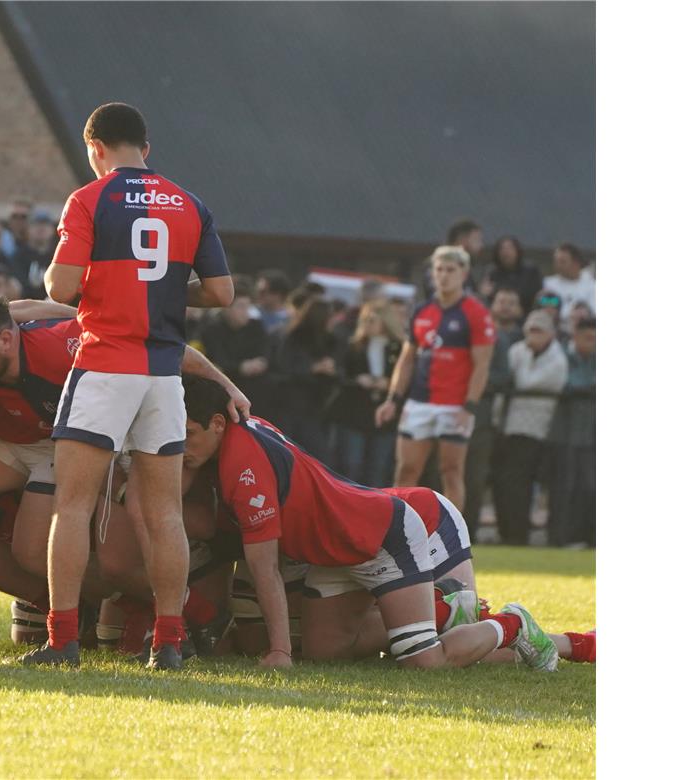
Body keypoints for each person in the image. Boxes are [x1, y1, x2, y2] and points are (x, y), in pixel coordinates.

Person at [0, 292, 249, 650]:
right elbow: (19, 309)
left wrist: (228, 386)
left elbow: (158, 348)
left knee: (35, 553)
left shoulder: (62, 347)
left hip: (63, 444)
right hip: (10, 435)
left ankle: (150, 603)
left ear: (6, 340)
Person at [31, 102, 234, 670]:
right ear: (147, 149)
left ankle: (63, 638)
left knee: (71, 506)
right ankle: (168, 642)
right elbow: (221, 294)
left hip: (104, 367)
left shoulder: (89, 199)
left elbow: (62, 286)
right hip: (164, 377)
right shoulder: (190, 203)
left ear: (94, 148)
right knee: (164, 512)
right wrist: (170, 291)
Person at [179, 376, 559, 671]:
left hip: (381, 539)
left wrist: (280, 650)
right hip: (334, 552)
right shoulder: (239, 429)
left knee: (423, 662)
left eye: (188, 436)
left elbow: (265, 568)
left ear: (216, 423)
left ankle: (512, 623)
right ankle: (444, 613)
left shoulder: (243, 465)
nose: (181, 449)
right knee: (325, 653)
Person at [376, 246, 494, 515]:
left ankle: (454, 541)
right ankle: (399, 534)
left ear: (463, 274)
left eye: (450, 270)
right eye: (439, 269)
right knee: (406, 470)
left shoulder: (475, 313)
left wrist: (470, 407)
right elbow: (407, 359)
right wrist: (393, 399)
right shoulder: (422, 311)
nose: (443, 276)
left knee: (451, 471)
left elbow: (482, 365)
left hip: (455, 404)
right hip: (419, 401)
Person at [493, 310, 568, 545]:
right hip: (508, 427)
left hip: (537, 431)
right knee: (504, 484)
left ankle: (517, 535)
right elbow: (506, 378)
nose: (532, 336)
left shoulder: (558, 360)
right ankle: (507, 533)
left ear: (550, 334)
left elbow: (523, 381)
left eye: (538, 331)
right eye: (529, 330)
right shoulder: (518, 350)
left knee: (521, 486)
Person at [463, 287, 525, 525]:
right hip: (447, 415)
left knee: (474, 478)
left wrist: (474, 382)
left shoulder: (494, 339)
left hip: (482, 420)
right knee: (441, 477)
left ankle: (469, 533)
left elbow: (503, 377)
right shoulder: (452, 337)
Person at [331, 300, 403, 487]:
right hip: (356, 413)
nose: (368, 324)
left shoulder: (398, 348)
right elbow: (339, 374)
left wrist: (388, 383)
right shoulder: (354, 346)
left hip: (384, 416)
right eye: (365, 320)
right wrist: (358, 381)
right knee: (351, 465)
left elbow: (406, 378)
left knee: (378, 467)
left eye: (373, 320)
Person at [268, 296, 339, 462]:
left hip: (313, 404)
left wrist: (331, 369)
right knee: (286, 450)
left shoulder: (329, 340)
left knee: (318, 455)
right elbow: (284, 366)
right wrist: (312, 368)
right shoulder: (293, 337)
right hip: (289, 402)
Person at [546, 318, 595, 548]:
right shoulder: (561, 357)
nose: (594, 343)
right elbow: (564, 383)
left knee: (589, 487)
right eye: (589, 338)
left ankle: (585, 537)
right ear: (575, 336)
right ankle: (559, 538)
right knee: (562, 487)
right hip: (562, 435)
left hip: (590, 436)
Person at [197, 275, 271, 408]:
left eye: (248, 307)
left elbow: (264, 352)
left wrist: (260, 363)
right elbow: (219, 361)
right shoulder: (212, 329)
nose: (245, 312)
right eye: (241, 307)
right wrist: (241, 368)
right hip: (223, 389)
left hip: (255, 389)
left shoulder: (256, 327)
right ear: (227, 308)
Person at [479, 236, 542, 312]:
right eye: (502, 249)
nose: (506, 252)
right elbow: (485, 295)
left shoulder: (530, 271)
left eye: (510, 248)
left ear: (517, 251)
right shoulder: (491, 272)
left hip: (525, 315)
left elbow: (537, 296)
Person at [8, 211, 56, 299]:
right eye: (36, 225)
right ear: (28, 229)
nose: (41, 229)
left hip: (52, 302)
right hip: (24, 303)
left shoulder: (57, 256)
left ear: (52, 230)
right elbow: (18, 283)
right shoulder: (18, 256)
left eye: (45, 225)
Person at [542, 242, 596, 319]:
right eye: (556, 261)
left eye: (562, 262)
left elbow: (594, 311)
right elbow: (548, 309)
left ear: (576, 263)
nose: (557, 266)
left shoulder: (592, 285)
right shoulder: (548, 284)